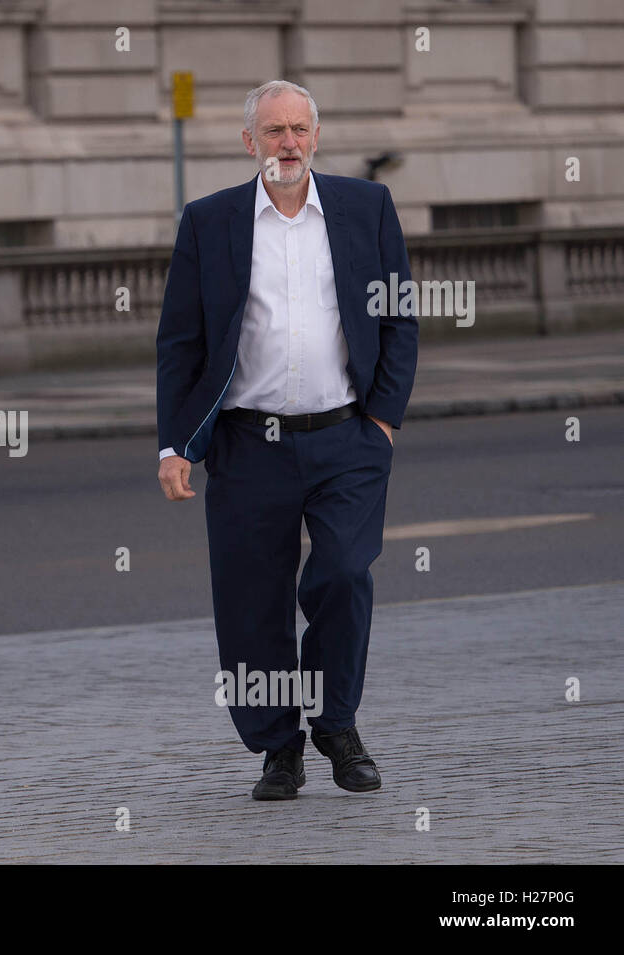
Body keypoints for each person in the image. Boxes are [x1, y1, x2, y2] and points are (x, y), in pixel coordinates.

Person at [155, 80, 417, 800]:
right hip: (246, 444)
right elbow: (181, 342)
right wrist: (175, 444)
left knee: (341, 573)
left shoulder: (367, 209)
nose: (289, 142)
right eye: (274, 131)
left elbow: (399, 317)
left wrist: (383, 420)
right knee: (251, 600)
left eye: (300, 128)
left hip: (345, 438)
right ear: (250, 143)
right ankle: (279, 746)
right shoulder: (211, 222)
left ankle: (336, 722)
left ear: (317, 136)